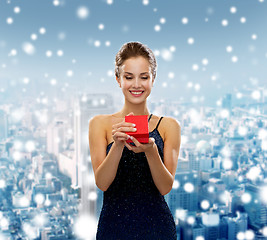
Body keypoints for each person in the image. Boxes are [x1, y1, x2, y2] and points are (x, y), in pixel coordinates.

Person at [89, 41, 181, 239]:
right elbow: (102, 183)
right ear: (118, 79)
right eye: (129, 77)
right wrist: (118, 144)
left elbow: (165, 187)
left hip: (158, 228)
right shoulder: (100, 124)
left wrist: (151, 151)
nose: (137, 85)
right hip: (113, 228)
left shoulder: (169, 126)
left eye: (144, 77)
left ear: (153, 79)